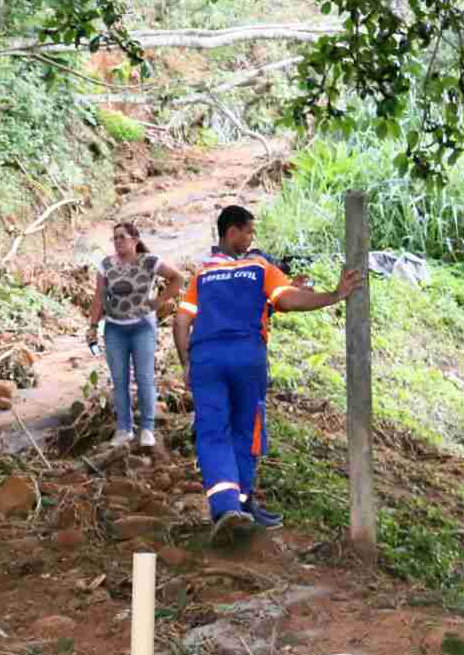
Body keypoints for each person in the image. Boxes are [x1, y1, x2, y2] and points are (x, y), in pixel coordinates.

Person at [173, 205, 362, 543]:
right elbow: (286, 300)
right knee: (247, 429)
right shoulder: (261, 267)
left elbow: (182, 319)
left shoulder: (202, 275)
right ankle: (242, 505)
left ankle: (227, 507)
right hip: (246, 356)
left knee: (213, 431)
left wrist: (186, 361)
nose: (251, 238)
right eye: (248, 231)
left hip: (207, 359)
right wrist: (334, 295)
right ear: (232, 231)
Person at [86, 222, 183, 449]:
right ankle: (124, 429)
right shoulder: (105, 265)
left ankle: (147, 428)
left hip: (142, 327)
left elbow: (178, 279)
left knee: (144, 377)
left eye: (122, 237)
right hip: (114, 329)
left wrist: (159, 301)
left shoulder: (149, 261)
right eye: (115, 238)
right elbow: (99, 297)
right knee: (119, 380)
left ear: (135, 239)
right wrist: (92, 326)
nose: (118, 241)